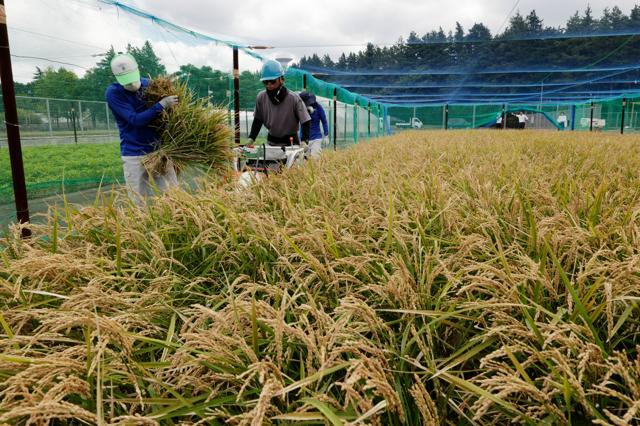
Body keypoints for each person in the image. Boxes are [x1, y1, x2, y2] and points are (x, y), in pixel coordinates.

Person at [105, 53, 179, 204]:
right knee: (137, 201)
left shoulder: (152, 86)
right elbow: (135, 120)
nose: (131, 84)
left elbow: (170, 117)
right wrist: (161, 105)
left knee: (173, 196)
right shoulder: (114, 93)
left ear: (137, 70)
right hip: (134, 154)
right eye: (126, 81)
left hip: (159, 151)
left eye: (132, 78)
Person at [247, 60, 311, 150]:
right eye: (266, 82)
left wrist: (304, 141)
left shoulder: (293, 98)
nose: (269, 85)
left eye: (272, 81)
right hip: (271, 143)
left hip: (291, 144)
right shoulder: (261, 97)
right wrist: (251, 138)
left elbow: (305, 121)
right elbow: (258, 120)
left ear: (282, 79)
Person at [298, 91, 329, 158]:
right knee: (304, 159)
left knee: (315, 158)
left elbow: (324, 121)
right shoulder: (300, 108)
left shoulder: (318, 107)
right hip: (304, 139)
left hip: (316, 138)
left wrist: (326, 134)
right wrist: (305, 111)